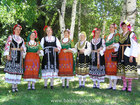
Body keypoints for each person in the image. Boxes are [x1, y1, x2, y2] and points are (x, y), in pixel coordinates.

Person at [117, 20, 138, 92]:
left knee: (129, 70)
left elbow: (135, 45)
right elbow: (118, 44)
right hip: (121, 54)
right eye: (122, 26)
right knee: (122, 70)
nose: (124, 27)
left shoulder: (131, 34)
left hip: (128, 54)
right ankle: (124, 85)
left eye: (125, 26)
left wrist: (132, 55)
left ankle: (129, 86)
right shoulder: (121, 35)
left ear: (128, 26)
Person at [4, 24, 25, 92]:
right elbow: (7, 46)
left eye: (19, 30)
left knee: (17, 71)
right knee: (13, 71)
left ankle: (16, 86)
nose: (18, 31)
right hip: (12, 55)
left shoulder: (22, 39)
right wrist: (7, 55)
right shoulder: (11, 37)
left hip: (19, 56)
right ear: (14, 30)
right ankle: (13, 86)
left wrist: (23, 48)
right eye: (17, 29)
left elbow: (24, 47)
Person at [104, 24, 120, 90]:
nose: (111, 28)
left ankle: (114, 85)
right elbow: (104, 44)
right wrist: (106, 47)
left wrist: (113, 46)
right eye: (110, 27)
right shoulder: (106, 36)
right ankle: (110, 84)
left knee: (114, 68)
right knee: (108, 68)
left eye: (112, 27)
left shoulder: (116, 35)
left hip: (113, 53)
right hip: (107, 53)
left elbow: (118, 44)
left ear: (115, 28)